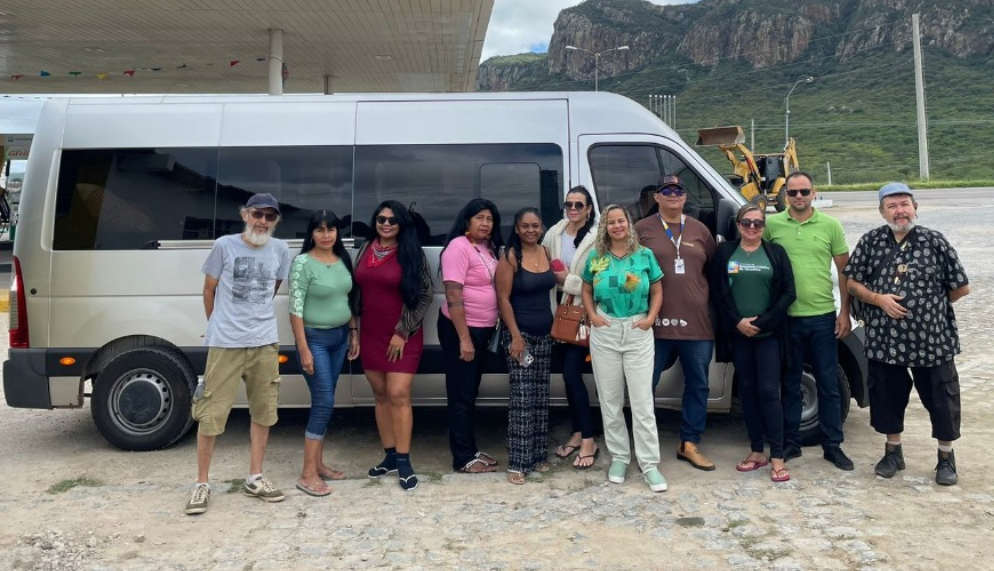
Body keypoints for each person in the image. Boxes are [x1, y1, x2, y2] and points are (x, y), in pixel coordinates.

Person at [844, 183, 970, 485]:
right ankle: (893, 452)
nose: (899, 211)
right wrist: (879, 299)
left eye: (904, 204)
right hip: (885, 340)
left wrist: (929, 306)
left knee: (942, 399)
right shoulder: (871, 241)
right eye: (892, 206)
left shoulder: (935, 241)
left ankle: (946, 458)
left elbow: (960, 287)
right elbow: (852, 283)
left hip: (932, 341)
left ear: (915, 208)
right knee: (887, 396)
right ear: (882, 212)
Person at [186, 192, 292, 515]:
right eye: (257, 214)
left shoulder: (281, 250)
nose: (262, 221)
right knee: (211, 413)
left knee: (264, 410)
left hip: (264, 342)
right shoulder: (224, 245)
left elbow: (272, 289)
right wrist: (217, 325)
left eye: (269, 217)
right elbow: (209, 290)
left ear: (275, 222)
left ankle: (255, 477)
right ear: (245, 215)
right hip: (226, 343)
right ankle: (202, 483)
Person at [764, 171, 854, 470]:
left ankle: (832, 446)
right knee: (790, 383)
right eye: (793, 192)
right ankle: (791, 443)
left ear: (814, 193)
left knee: (828, 383)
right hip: (787, 318)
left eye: (804, 191)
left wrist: (845, 311)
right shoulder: (773, 225)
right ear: (785, 195)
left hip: (822, 317)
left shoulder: (830, 225)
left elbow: (844, 270)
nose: (799, 196)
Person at [581, 204, 667, 493]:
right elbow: (586, 288)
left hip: (637, 330)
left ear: (629, 224)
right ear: (604, 227)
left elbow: (657, 289)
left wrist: (650, 318)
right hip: (605, 330)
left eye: (621, 221)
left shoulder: (644, 255)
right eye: (611, 222)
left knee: (642, 402)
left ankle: (649, 464)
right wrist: (592, 316)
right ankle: (619, 457)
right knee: (610, 400)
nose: (617, 226)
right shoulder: (597, 257)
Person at [635, 175, 718, 471]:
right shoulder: (641, 229)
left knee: (698, 384)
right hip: (654, 324)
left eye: (679, 190)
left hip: (697, 323)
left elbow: (711, 270)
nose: (673, 194)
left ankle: (689, 443)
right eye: (666, 190)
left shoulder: (700, 230)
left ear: (685, 197)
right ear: (656, 197)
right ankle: (645, 444)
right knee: (645, 384)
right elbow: (630, 269)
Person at [712, 205, 796, 483]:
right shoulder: (725, 253)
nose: (752, 227)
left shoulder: (775, 253)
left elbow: (788, 293)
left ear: (764, 226)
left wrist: (763, 322)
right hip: (739, 335)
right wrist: (737, 322)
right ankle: (757, 450)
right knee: (747, 391)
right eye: (746, 222)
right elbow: (718, 291)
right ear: (738, 225)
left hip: (767, 335)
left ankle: (778, 456)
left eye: (758, 223)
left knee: (770, 391)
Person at [355, 201, 433, 491]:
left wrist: (402, 331)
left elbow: (425, 294)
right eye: (381, 219)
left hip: (402, 333)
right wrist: (353, 329)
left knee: (398, 393)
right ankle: (389, 456)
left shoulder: (411, 252)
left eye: (392, 220)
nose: (386, 224)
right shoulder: (366, 248)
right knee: (380, 395)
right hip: (371, 332)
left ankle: (403, 460)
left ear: (402, 224)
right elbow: (355, 292)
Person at [288, 210, 360, 497]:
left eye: (331, 229)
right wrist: (303, 348)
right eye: (319, 230)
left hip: (340, 338)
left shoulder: (342, 259)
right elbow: (295, 308)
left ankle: (318, 464)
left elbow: (347, 299)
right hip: (314, 340)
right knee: (324, 402)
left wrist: (353, 331)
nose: (326, 235)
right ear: (311, 234)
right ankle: (307, 474)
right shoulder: (302, 263)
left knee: (324, 402)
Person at [438, 198, 504, 473]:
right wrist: (464, 339)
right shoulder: (458, 247)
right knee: (461, 394)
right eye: (480, 218)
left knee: (470, 391)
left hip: (482, 329)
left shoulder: (486, 248)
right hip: (461, 330)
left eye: (489, 219)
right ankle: (462, 458)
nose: (485, 223)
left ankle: (470, 449)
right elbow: (453, 294)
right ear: (467, 220)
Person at [496, 208, 558, 485]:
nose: (531, 230)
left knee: (541, 398)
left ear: (542, 227)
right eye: (525, 226)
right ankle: (518, 463)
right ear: (517, 229)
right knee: (522, 399)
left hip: (545, 334)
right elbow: (503, 299)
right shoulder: (510, 256)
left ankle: (538, 455)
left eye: (535, 225)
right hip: (520, 336)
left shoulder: (545, 252)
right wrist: (515, 336)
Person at [542, 186, 600, 469]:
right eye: (569, 204)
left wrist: (568, 280)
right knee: (568, 378)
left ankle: (589, 438)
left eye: (579, 204)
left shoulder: (597, 238)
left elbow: (599, 281)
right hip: (557, 314)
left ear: (589, 208)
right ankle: (578, 433)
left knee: (571, 374)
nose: (573, 209)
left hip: (582, 314)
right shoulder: (554, 233)